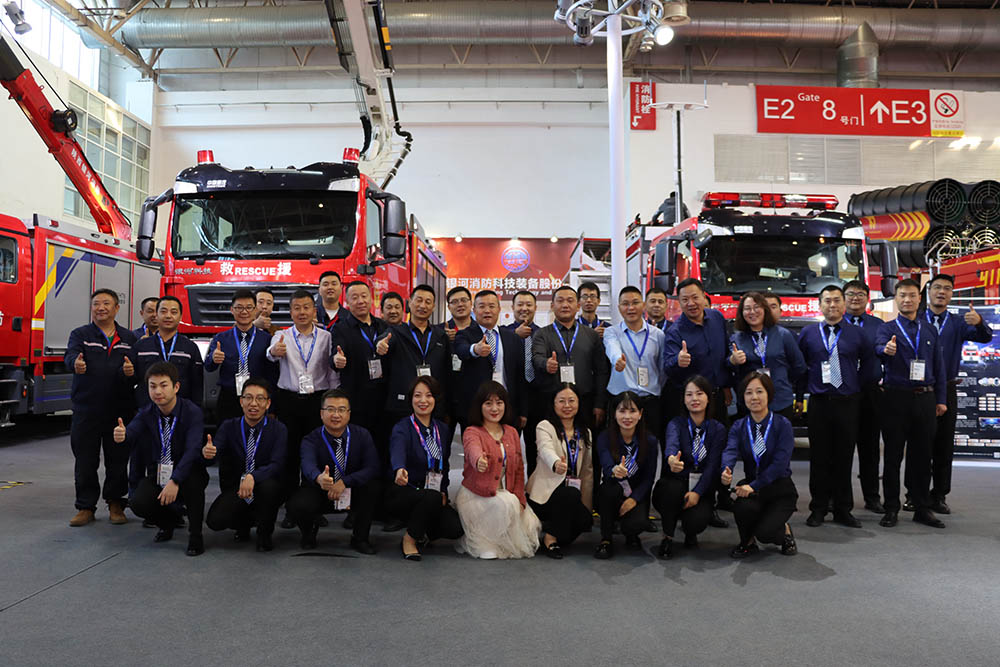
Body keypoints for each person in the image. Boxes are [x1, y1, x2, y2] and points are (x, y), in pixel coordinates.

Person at [796, 285, 873, 528]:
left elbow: (868, 366)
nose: (832, 305)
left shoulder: (857, 334)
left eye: (837, 300)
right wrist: (799, 396)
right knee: (819, 457)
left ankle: (843, 509)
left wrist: (855, 387)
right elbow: (800, 367)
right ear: (820, 305)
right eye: (827, 300)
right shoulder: (808, 333)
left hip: (847, 402)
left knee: (844, 457)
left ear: (844, 304)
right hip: (819, 402)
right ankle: (818, 508)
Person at [114, 362, 209, 556]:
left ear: (176, 387)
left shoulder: (192, 412)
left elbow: (192, 450)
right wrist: (122, 435)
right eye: (153, 386)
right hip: (160, 472)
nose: (158, 391)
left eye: (163, 385)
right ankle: (168, 523)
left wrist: (175, 480)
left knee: (193, 486)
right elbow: (132, 432)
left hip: (189, 470)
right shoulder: (147, 412)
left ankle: (195, 535)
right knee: (138, 502)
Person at [875, 278, 947, 529]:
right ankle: (891, 508)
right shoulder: (887, 328)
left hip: (925, 398)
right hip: (896, 398)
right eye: (902, 295)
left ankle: (922, 507)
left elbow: (939, 366)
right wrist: (885, 350)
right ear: (896, 299)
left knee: (923, 456)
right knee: (893, 456)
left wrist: (941, 399)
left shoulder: (929, 330)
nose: (907, 299)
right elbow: (878, 348)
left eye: (912, 295)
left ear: (919, 298)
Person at [65, 288, 138, 527]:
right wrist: (74, 364)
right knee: (85, 460)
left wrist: (131, 372)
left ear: (116, 308)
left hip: (120, 411)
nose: (100, 308)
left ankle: (116, 504)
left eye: (106, 303)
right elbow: (70, 356)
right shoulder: (80, 334)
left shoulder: (129, 338)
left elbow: (137, 369)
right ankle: (85, 506)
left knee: (118, 460)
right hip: (87, 409)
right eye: (96, 303)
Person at [922, 274, 992, 514]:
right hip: (919, 389)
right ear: (929, 292)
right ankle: (915, 494)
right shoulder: (916, 320)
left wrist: (980, 322)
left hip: (948, 387)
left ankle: (939, 495)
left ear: (951, 294)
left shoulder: (958, 322)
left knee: (943, 445)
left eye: (947, 288)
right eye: (937, 287)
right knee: (920, 444)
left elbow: (985, 337)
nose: (941, 292)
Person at [267, 289, 337, 526]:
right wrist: (274, 351)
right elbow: (270, 354)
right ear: (290, 312)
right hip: (289, 401)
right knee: (290, 456)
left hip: (317, 401)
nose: (302, 312)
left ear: (314, 310)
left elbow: (331, 372)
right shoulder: (282, 336)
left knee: (317, 455)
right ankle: (291, 509)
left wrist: (332, 401)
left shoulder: (326, 337)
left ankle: (314, 509)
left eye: (306, 307)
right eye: (297, 308)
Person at [288, 389, 381, 553]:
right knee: (297, 504)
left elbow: (372, 467)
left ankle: (360, 538)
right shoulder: (311, 439)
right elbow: (307, 465)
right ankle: (309, 533)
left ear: (349, 413)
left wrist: (345, 482)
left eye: (341, 410)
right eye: (330, 409)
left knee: (372, 487)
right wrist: (319, 478)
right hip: (321, 490)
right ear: (321, 414)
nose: (336, 415)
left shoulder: (362, 435)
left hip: (351, 490)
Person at [455, 381, 540, 559]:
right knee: (504, 504)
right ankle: (485, 542)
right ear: (479, 406)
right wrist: (479, 460)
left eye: (499, 403)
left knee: (528, 522)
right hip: (478, 495)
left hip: (506, 492)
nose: (494, 408)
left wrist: (520, 498)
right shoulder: (472, 431)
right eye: (488, 403)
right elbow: (472, 449)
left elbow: (519, 469)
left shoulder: (512, 432)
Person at [202, 378, 286, 551]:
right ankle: (243, 526)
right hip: (237, 486)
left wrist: (253, 477)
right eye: (248, 398)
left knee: (270, 488)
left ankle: (264, 534)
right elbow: (212, 456)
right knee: (215, 521)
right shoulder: (229, 426)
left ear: (268, 403)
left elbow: (277, 464)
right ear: (241, 401)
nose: (253, 403)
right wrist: (207, 454)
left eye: (260, 398)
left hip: (264, 484)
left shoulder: (278, 429)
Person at [721, 372, 798, 558]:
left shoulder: (782, 424)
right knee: (741, 507)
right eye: (749, 393)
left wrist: (754, 485)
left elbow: (780, 464)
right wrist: (726, 469)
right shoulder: (739, 426)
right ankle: (747, 542)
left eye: (759, 391)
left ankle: (785, 530)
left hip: (779, 488)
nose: (754, 397)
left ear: (769, 394)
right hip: (752, 485)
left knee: (766, 534)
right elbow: (730, 450)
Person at [386, 377, 464, 560]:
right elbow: (397, 453)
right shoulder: (402, 428)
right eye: (417, 395)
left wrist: (443, 490)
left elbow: (444, 465)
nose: (423, 401)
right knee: (430, 497)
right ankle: (409, 539)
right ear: (411, 399)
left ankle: (420, 530)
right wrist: (399, 469)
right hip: (406, 491)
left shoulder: (442, 429)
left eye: (429, 395)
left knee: (455, 528)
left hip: (433, 493)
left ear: (435, 399)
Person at [652, 375, 726, 559]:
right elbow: (671, 446)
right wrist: (671, 460)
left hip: (702, 487)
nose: (694, 399)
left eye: (699, 394)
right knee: (671, 489)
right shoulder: (676, 424)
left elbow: (713, 466)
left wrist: (698, 492)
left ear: (708, 397)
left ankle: (690, 532)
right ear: (684, 400)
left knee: (696, 522)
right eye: (689, 394)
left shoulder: (717, 429)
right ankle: (667, 537)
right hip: (677, 483)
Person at [525, 383, 595, 558]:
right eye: (561, 401)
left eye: (572, 400)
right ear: (553, 403)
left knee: (585, 520)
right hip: (545, 494)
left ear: (579, 403)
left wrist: (586, 505)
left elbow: (587, 471)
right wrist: (556, 463)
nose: (567, 405)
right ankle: (551, 539)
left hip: (571, 494)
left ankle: (553, 531)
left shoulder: (585, 432)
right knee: (569, 494)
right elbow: (545, 449)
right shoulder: (545, 426)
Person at [532, 285, 609, 429]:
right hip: (552, 402)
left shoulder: (591, 335)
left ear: (578, 305)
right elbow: (536, 357)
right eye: (560, 301)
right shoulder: (542, 334)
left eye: (570, 300)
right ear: (552, 305)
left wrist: (599, 403)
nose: (565, 305)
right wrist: (546, 363)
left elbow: (601, 371)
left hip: (585, 402)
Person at [378, 284, 452, 428]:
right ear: (410, 302)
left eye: (428, 302)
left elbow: (447, 373)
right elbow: (383, 340)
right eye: (419, 300)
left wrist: (446, 407)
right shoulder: (397, 332)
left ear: (433, 307)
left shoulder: (441, 336)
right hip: (402, 406)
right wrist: (380, 344)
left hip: (433, 406)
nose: (423, 305)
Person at [594, 391, 656, 558]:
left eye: (632, 411)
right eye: (622, 411)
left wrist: (634, 499)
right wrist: (614, 471)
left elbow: (649, 478)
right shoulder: (605, 437)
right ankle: (606, 539)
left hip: (635, 494)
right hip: (612, 490)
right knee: (609, 490)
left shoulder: (650, 441)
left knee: (637, 523)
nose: (627, 417)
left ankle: (632, 535)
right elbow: (606, 465)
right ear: (614, 414)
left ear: (640, 414)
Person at [843, 280, 886, 513]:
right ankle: (839, 498)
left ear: (867, 298)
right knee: (842, 448)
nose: (855, 298)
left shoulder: (878, 325)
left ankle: (872, 497)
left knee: (870, 449)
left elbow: (888, 355)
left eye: (860, 294)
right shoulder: (835, 324)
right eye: (850, 294)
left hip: (870, 392)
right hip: (842, 393)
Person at [456, 290, 528, 430]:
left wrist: (523, 411)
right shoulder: (465, 335)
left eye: (491, 306)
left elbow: (520, 376)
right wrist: (475, 349)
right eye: (482, 306)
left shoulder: (512, 337)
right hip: (476, 408)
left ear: (499, 309)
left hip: (507, 406)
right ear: (474, 310)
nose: (487, 310)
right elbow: (461, 350)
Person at [728, 291, 805, 419]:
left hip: (780, 399)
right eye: (747, 308)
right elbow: (727, 367)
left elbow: (799, 366)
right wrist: (732, 360)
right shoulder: (737, 339)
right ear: (741, 313)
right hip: (751, 402)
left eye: (756, 307)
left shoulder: (783, 335)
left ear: (765, 309)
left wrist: (783, 379)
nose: (752, 312)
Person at [605, 285, 666, 443]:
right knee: (619, 445)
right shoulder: (612, 332)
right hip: (621, 401)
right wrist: (617, 360)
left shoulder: (658, 335)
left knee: (651, 446)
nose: (630, 308)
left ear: (643, 305)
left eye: (635, 303)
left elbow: (662, 369)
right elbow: (612, 347)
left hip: (650, 401)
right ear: (619, 307)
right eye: (625, 304)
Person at [663, 279, 730, 421]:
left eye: (695, 297)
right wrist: (677, 361)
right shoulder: (674, 332)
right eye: (685, 300)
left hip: (718, 396)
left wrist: (726, 386)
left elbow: (724, 353)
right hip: (693, 401)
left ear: (704, 297)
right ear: (679, 302)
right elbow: (667, 367)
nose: (691, 303)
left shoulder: (717, 317)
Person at [204, 290, 276, 422]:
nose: (244, 312)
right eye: (239, 308)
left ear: (255, 310)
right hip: (229, 397)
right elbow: (208, 367)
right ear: (232, 310)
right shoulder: (221, 338)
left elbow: (272, 374)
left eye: (249, 307)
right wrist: (213, 359)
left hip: (257, 399)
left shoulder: (266, 339)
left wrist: (272, 407)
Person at [131, 296, 204, 408]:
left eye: (174, 312)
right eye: (163, 311)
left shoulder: (190, 347)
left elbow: (197, 384)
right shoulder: (141, 346)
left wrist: (195, 410)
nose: (168, 316)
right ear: (157, 315)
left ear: (180, 316)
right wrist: (127, 373)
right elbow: (131, 380)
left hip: (181, 410)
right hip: (147, 410)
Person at [502, 290, 544, 475]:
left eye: (529, 304)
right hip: (512, 399)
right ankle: (510, 487)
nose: (524, 308)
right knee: (509, 448)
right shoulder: (504, 333)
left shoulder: (543, 334)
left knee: (536, 449)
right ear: (512, 307)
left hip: (537, 397)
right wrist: (514, 335)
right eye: (520, 304)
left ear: (535, 308)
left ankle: (533, 487)